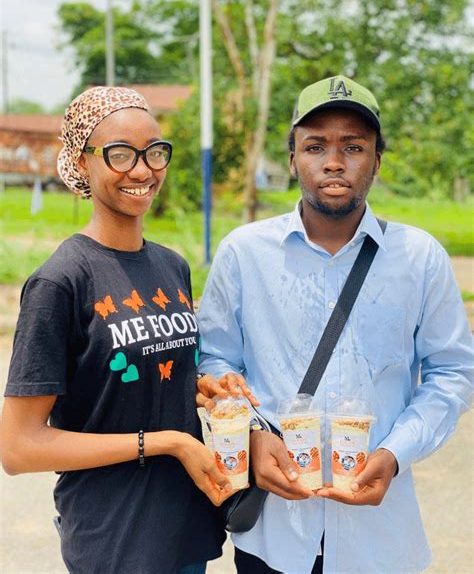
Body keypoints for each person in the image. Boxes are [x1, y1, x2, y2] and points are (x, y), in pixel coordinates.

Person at [196, 75, 473, 573]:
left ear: (376, 161)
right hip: (275, 535)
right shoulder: (243, 253)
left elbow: (452, 373)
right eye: (315, 145)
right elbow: (215, 360)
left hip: (382, 540)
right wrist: (255, 435)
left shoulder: (419, 258)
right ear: (292, 160)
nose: (333, 161)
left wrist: (394, 452)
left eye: (353, 146)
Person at [1, 86, 234, 574]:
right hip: (115, 539)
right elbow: (19, 447)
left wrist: (200, 389)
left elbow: (138, 377)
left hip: (185, 528)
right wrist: (167, 442)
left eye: (155, 151)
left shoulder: (172, 266)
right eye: (120, 154)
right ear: (83, 164)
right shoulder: (60, 281)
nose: (143, 169)